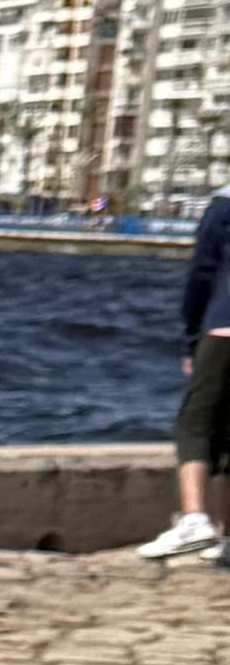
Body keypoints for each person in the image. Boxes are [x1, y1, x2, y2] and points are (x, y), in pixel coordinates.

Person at [138, 183, 230, 560]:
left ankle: (194, 519)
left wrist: (192, 339)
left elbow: (201, 276)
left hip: (224, 330)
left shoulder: (223, 208)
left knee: (195, 424)